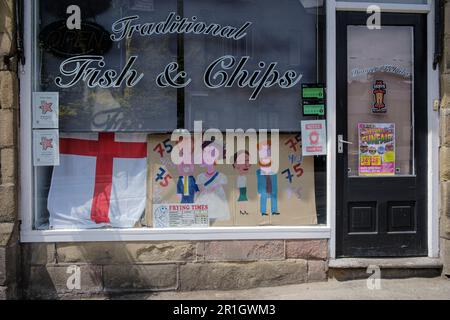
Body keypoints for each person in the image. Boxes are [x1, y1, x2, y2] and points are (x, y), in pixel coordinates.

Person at [256, 140, 280, 216]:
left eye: (269, 150)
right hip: (265, 177)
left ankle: (274, 210)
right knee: (264, 195)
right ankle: (263, 211)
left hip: (272, 175)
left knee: (273, 194)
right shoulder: (262, 162)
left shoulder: (272, 161)